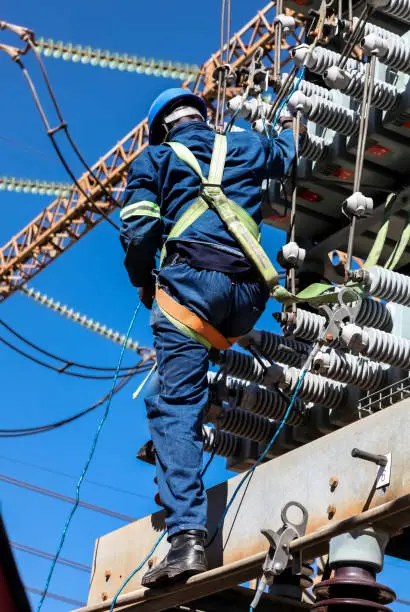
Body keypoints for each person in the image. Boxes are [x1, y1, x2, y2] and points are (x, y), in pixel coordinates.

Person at [120, 87, 303, 588]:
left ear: (162, 128)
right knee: (168, 394)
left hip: (190, 293)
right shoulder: (243, 146)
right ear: (203, 116)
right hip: (246, 299)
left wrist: (143, 279)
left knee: (173, 404)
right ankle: (174, 460)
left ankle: (186, 537)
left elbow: (138, 230)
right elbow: (289, 150)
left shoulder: (154, 158)